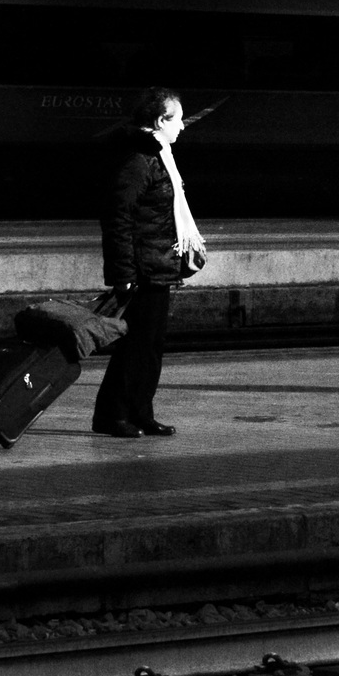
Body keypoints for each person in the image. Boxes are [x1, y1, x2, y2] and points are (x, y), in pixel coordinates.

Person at [96, 87, 206, 438]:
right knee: (137, 346)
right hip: (143, 269)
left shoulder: (159, 156)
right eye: (179, 119)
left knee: (149, 347)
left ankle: (140, 412)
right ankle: (115, 416)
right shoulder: (139, 161)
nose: (183, 127)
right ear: (161, 121)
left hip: (157, 265)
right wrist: (124, 274)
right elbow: (118, 218)